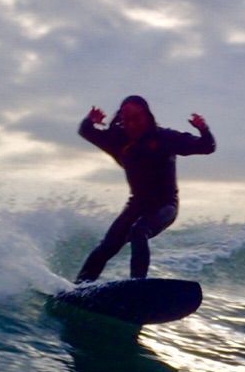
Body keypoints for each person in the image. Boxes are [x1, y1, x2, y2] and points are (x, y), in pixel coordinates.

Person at [74, 94, 216, 283]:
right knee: (107, 246)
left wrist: (203, 129)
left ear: (147, 116)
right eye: (127, 119)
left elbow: (207, 146)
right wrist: (90, 119)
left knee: (139, 231)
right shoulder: (118, 139)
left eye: (137, 118)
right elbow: (86, 131)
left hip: (165, 205)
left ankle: (137, 286)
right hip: (137, 204)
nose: (132, 124)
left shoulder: (164, 138)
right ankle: (79, 288)